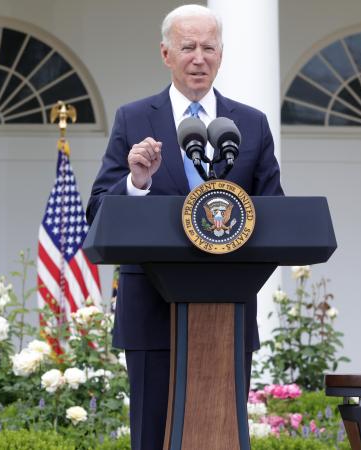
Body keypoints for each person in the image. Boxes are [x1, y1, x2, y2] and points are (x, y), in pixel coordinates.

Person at [86, 5, 283, 449]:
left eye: (208, 47)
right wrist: (137, 182)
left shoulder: (249, 123)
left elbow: (275, 212)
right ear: (166, 54)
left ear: (221, 54)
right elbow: (98, 210)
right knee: (153, 436)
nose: (199, 57)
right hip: (152, 308)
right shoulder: (134, 119)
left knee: (222, 434)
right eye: (188, 47)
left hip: (228, 309)